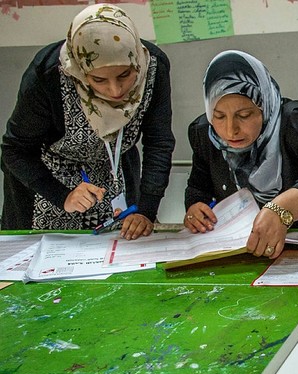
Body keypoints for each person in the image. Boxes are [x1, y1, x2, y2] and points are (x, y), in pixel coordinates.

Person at [1, 4, 175, 240]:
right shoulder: (49, 75)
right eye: (99, 79)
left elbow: (159, 142)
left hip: (114, 173)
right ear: (81, 71)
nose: (115, 90)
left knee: (118, 255)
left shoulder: (153, 67)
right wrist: (62, 195)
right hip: (49, 181)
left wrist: (146, 209)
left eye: (125, 75)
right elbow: (14, 150)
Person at [183, 50, 298, 258]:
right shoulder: (204, 134)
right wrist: (195, 209)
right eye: (218, 116)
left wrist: (281, 210)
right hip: (254, 254)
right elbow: (198, 187)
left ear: (265, 105)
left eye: (244, 115)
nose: (230, 130)